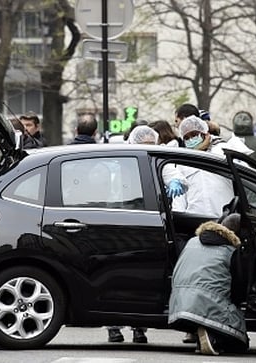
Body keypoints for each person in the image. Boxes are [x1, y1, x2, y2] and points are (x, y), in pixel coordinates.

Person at [169, 214, 249, 355]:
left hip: (178, 305)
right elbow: (238, 290)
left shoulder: (192, 241)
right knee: (240, 342)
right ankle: (212, 338)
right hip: (206, 303)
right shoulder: (232, 252)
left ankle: (199, 331)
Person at [105, 126, 156, 344]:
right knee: (115, 276)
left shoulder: (150, 163)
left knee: (140, 278)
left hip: (142, 226)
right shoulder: (118, 165)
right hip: (117, 225)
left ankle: (139, 327)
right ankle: (114, 327)